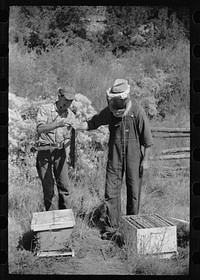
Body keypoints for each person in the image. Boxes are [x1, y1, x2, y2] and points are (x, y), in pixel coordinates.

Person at [76, 79, 153, 239]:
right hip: (115, 155)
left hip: (133, 156)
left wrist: (145, 160)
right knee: (111, 190)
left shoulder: (137, 111)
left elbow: (147, 140)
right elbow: (94, 122)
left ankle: (133, 225)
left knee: (133, 190)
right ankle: (113, 227)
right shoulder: (110, 111)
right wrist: (77, 125)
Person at [36, 86, 77, 211]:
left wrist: (70, 156)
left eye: (71, 101)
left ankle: (65, 219)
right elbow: (40, 129)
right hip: (45, 151)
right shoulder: (46, 109)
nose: (68, 103)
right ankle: (51, 218)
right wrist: (58, 124)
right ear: (59, 96)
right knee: (48, 189)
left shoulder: (71, 115)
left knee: (64, 187)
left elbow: (69, 138)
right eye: (66, 100)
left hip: (61, 153)